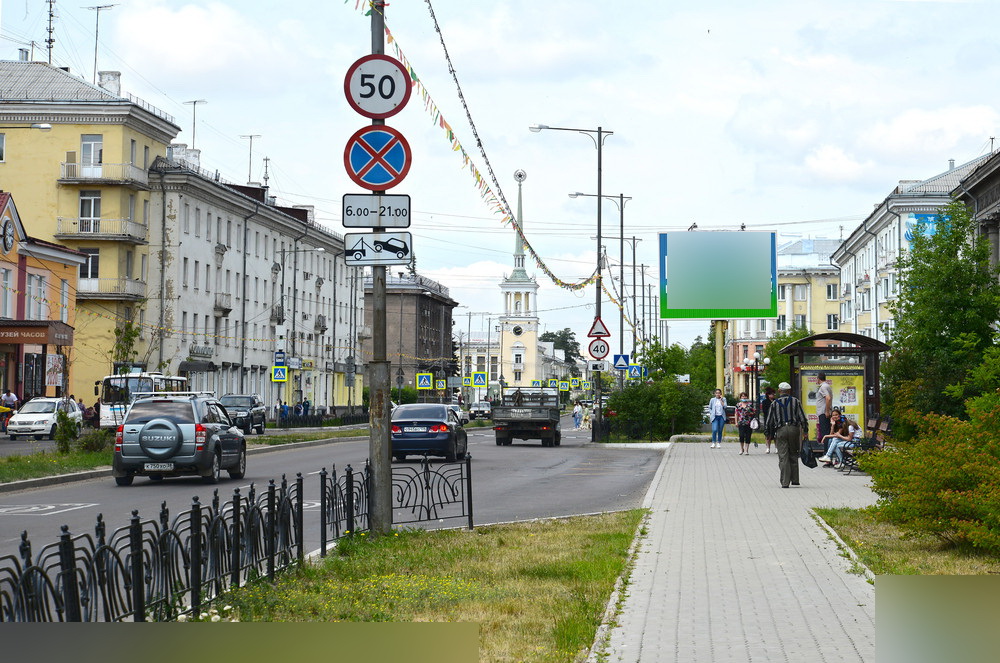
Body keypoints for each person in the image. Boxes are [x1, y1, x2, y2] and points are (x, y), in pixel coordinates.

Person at [764, 381, 809, 488]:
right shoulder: (795, 401)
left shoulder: (774, 403)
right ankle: (795, 479)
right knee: (794, 453)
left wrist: (767, 433)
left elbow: (769, 420)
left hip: (781, 430)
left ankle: (785, 482)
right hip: (794, 429)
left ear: (779, 391)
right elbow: (802, 417)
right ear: (789, 391)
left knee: (783, 456)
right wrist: (805, 431)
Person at [815, 371, 833, 450]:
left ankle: (827, 453)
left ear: (818, 379)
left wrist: (827, 411)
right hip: (824, 412)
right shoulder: (827, 386)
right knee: (826, 432)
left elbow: (828, 398)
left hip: (823, 412)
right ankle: (827, 452)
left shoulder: (823, 387)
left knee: (825, 433)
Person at [761, 387, 777, 454]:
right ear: (768, 395)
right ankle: (768, 447)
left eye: (773, 394)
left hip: (775, 420)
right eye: (771, 394)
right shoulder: (765, 402)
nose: (772, 395)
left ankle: (776, 448)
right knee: (768, 434)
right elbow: (764, 411)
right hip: (767, 420)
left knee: (776, 434)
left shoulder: (776, 401)